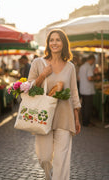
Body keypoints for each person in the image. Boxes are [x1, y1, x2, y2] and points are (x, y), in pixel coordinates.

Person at [28, 29, 81, 180]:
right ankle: (48, 175)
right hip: (43, 116)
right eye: (52, 40)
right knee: (44, 157)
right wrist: (43, 75)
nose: (54, 43)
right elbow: (29, 88)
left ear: (63, 43)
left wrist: (76, 117)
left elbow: (74, 93)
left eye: (58, 40)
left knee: (62, 159)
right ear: (48, 43)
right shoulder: (38, 63)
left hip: (65, 116)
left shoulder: (70, 67)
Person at [78, 54, 96, 127]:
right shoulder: (88, 67)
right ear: (92, 60)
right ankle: (87, 122)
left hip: (82, 89)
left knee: (84, 106)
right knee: (87, 107)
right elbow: (89, 78)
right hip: (88, 90)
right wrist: (96, 78)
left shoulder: (82, 66)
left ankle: (84, 121)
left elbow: (78, 78)